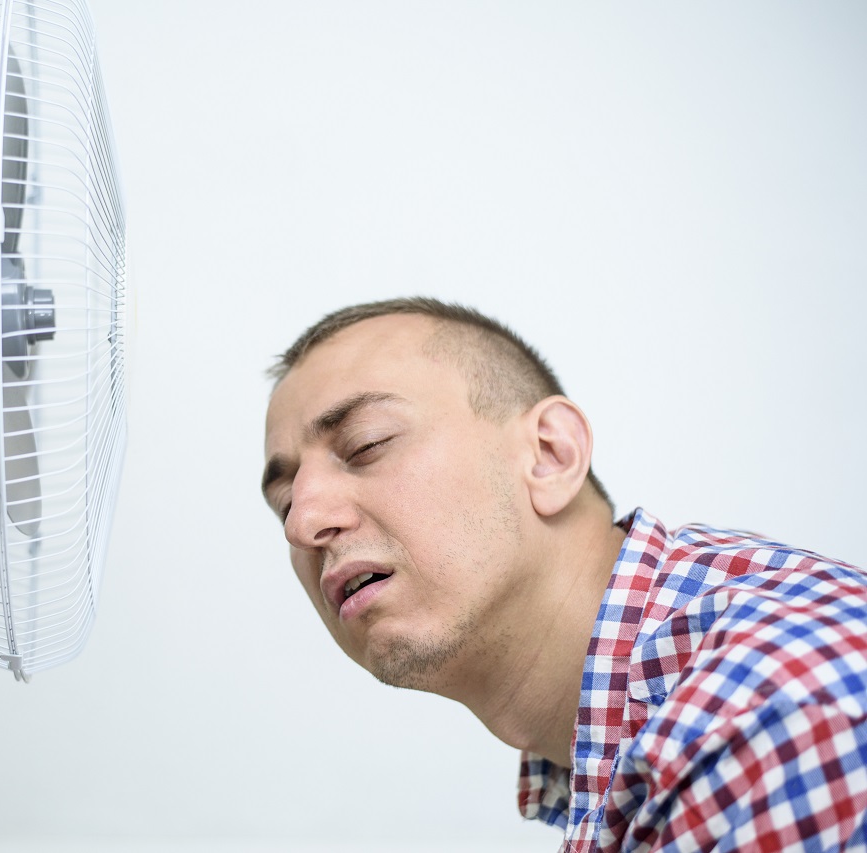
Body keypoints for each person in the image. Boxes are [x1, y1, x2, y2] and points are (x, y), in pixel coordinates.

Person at [260, 296, 867, 851]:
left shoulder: (773, 705)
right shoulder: (645, 748)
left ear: (551, 455)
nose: (302, 524)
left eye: (366, 445)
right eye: (285, 503)